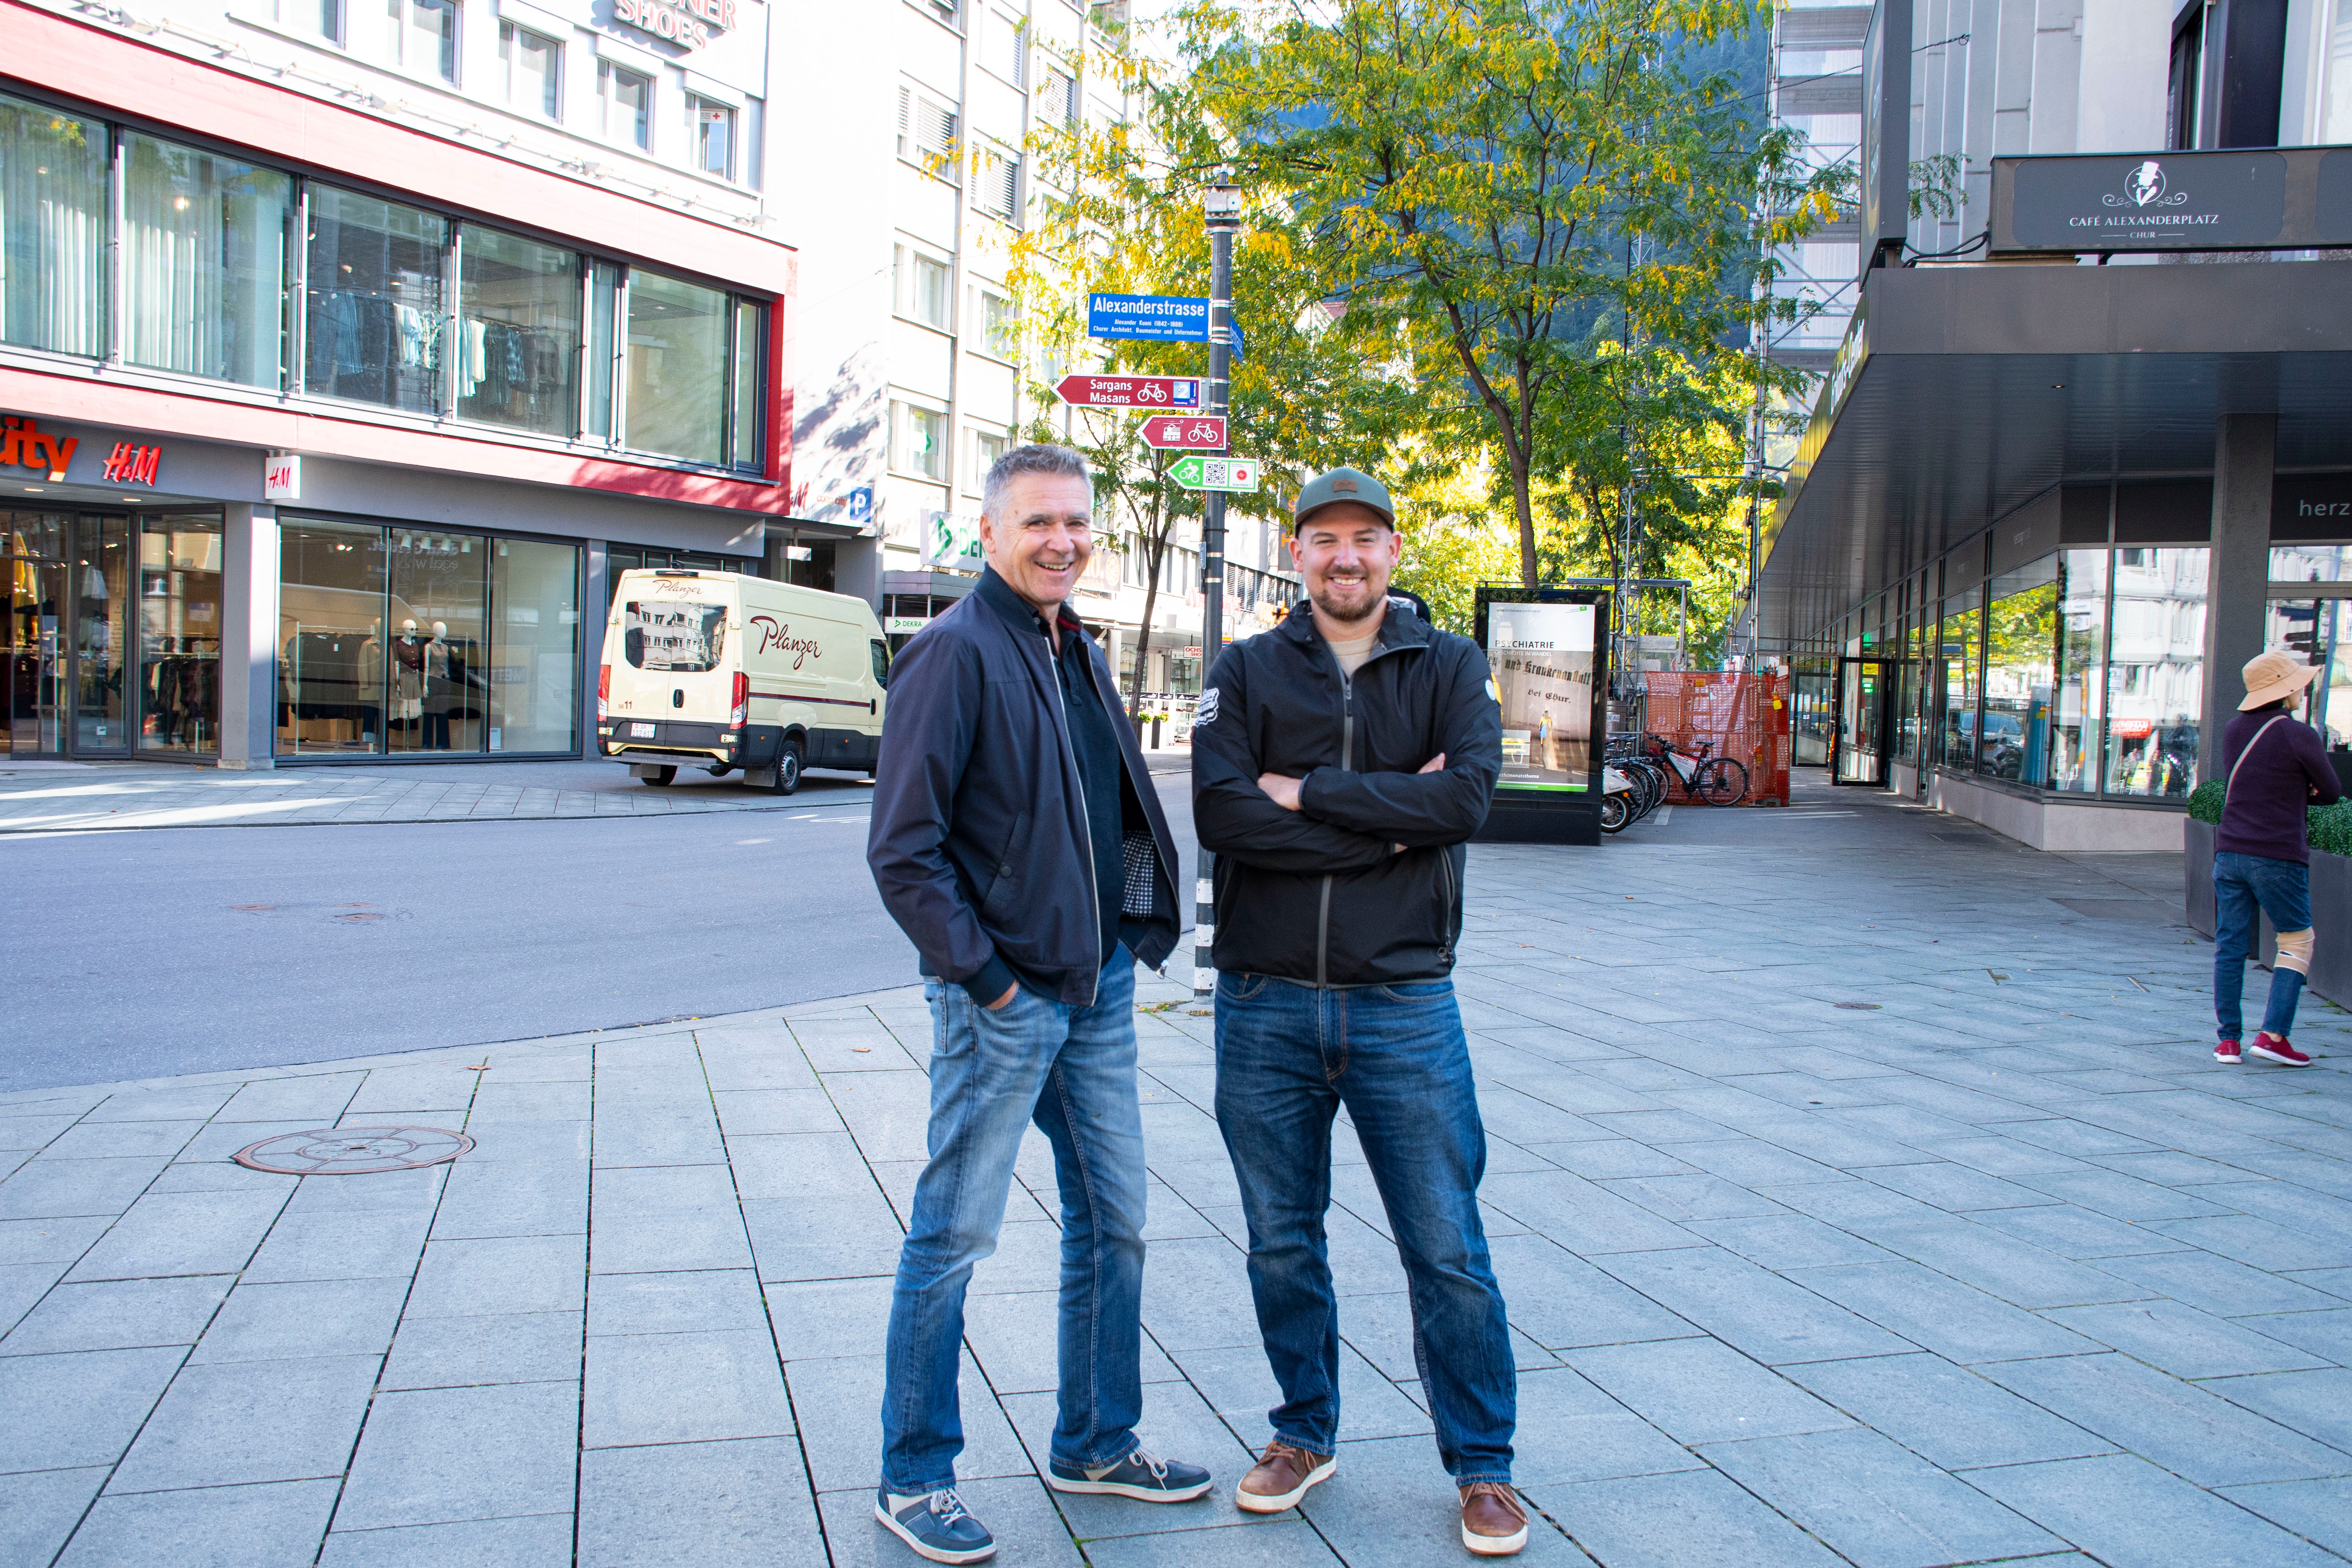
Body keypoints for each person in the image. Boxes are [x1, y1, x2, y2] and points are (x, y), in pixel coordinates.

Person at [866, 443, 1211, 1564]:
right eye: (1038, 524)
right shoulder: (952, 654)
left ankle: (1098, 1443)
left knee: (1118, 1222)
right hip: (1007, 999)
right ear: (990, 533)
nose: (1062, 540)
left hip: (1097, 987)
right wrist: (991, 981)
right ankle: (915, 1475)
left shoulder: (1076, 647)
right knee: (955, 1234)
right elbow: (904, 856)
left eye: (1077, 522)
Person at [1192, 466, 1525, 1557]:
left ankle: (1483, 1466)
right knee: (1281, 1243)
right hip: (1265, 1003)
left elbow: (1466, 800)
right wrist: (1392, 824)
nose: (1346, 558)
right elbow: (1224, 817)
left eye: (1365, 540)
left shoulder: (1451, 666)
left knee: (1448, 1246)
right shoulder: (1244, 672)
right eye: (1324, 539)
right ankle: (1303, 1433)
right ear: (1297, 555)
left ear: (1394, 552)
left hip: (1405, 1004)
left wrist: (1317, 791)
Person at [2214, 648, 2342, 1068]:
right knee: (2296, 941)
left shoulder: (2234, 730)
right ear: (2286, 690)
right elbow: (2332, 790)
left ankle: (2228, 1042)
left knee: (2231, 945)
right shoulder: (2298, 733)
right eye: (2298, 685)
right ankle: (2273, 1035)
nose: (2302, 691)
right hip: (2276, 854)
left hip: (2229, 850)